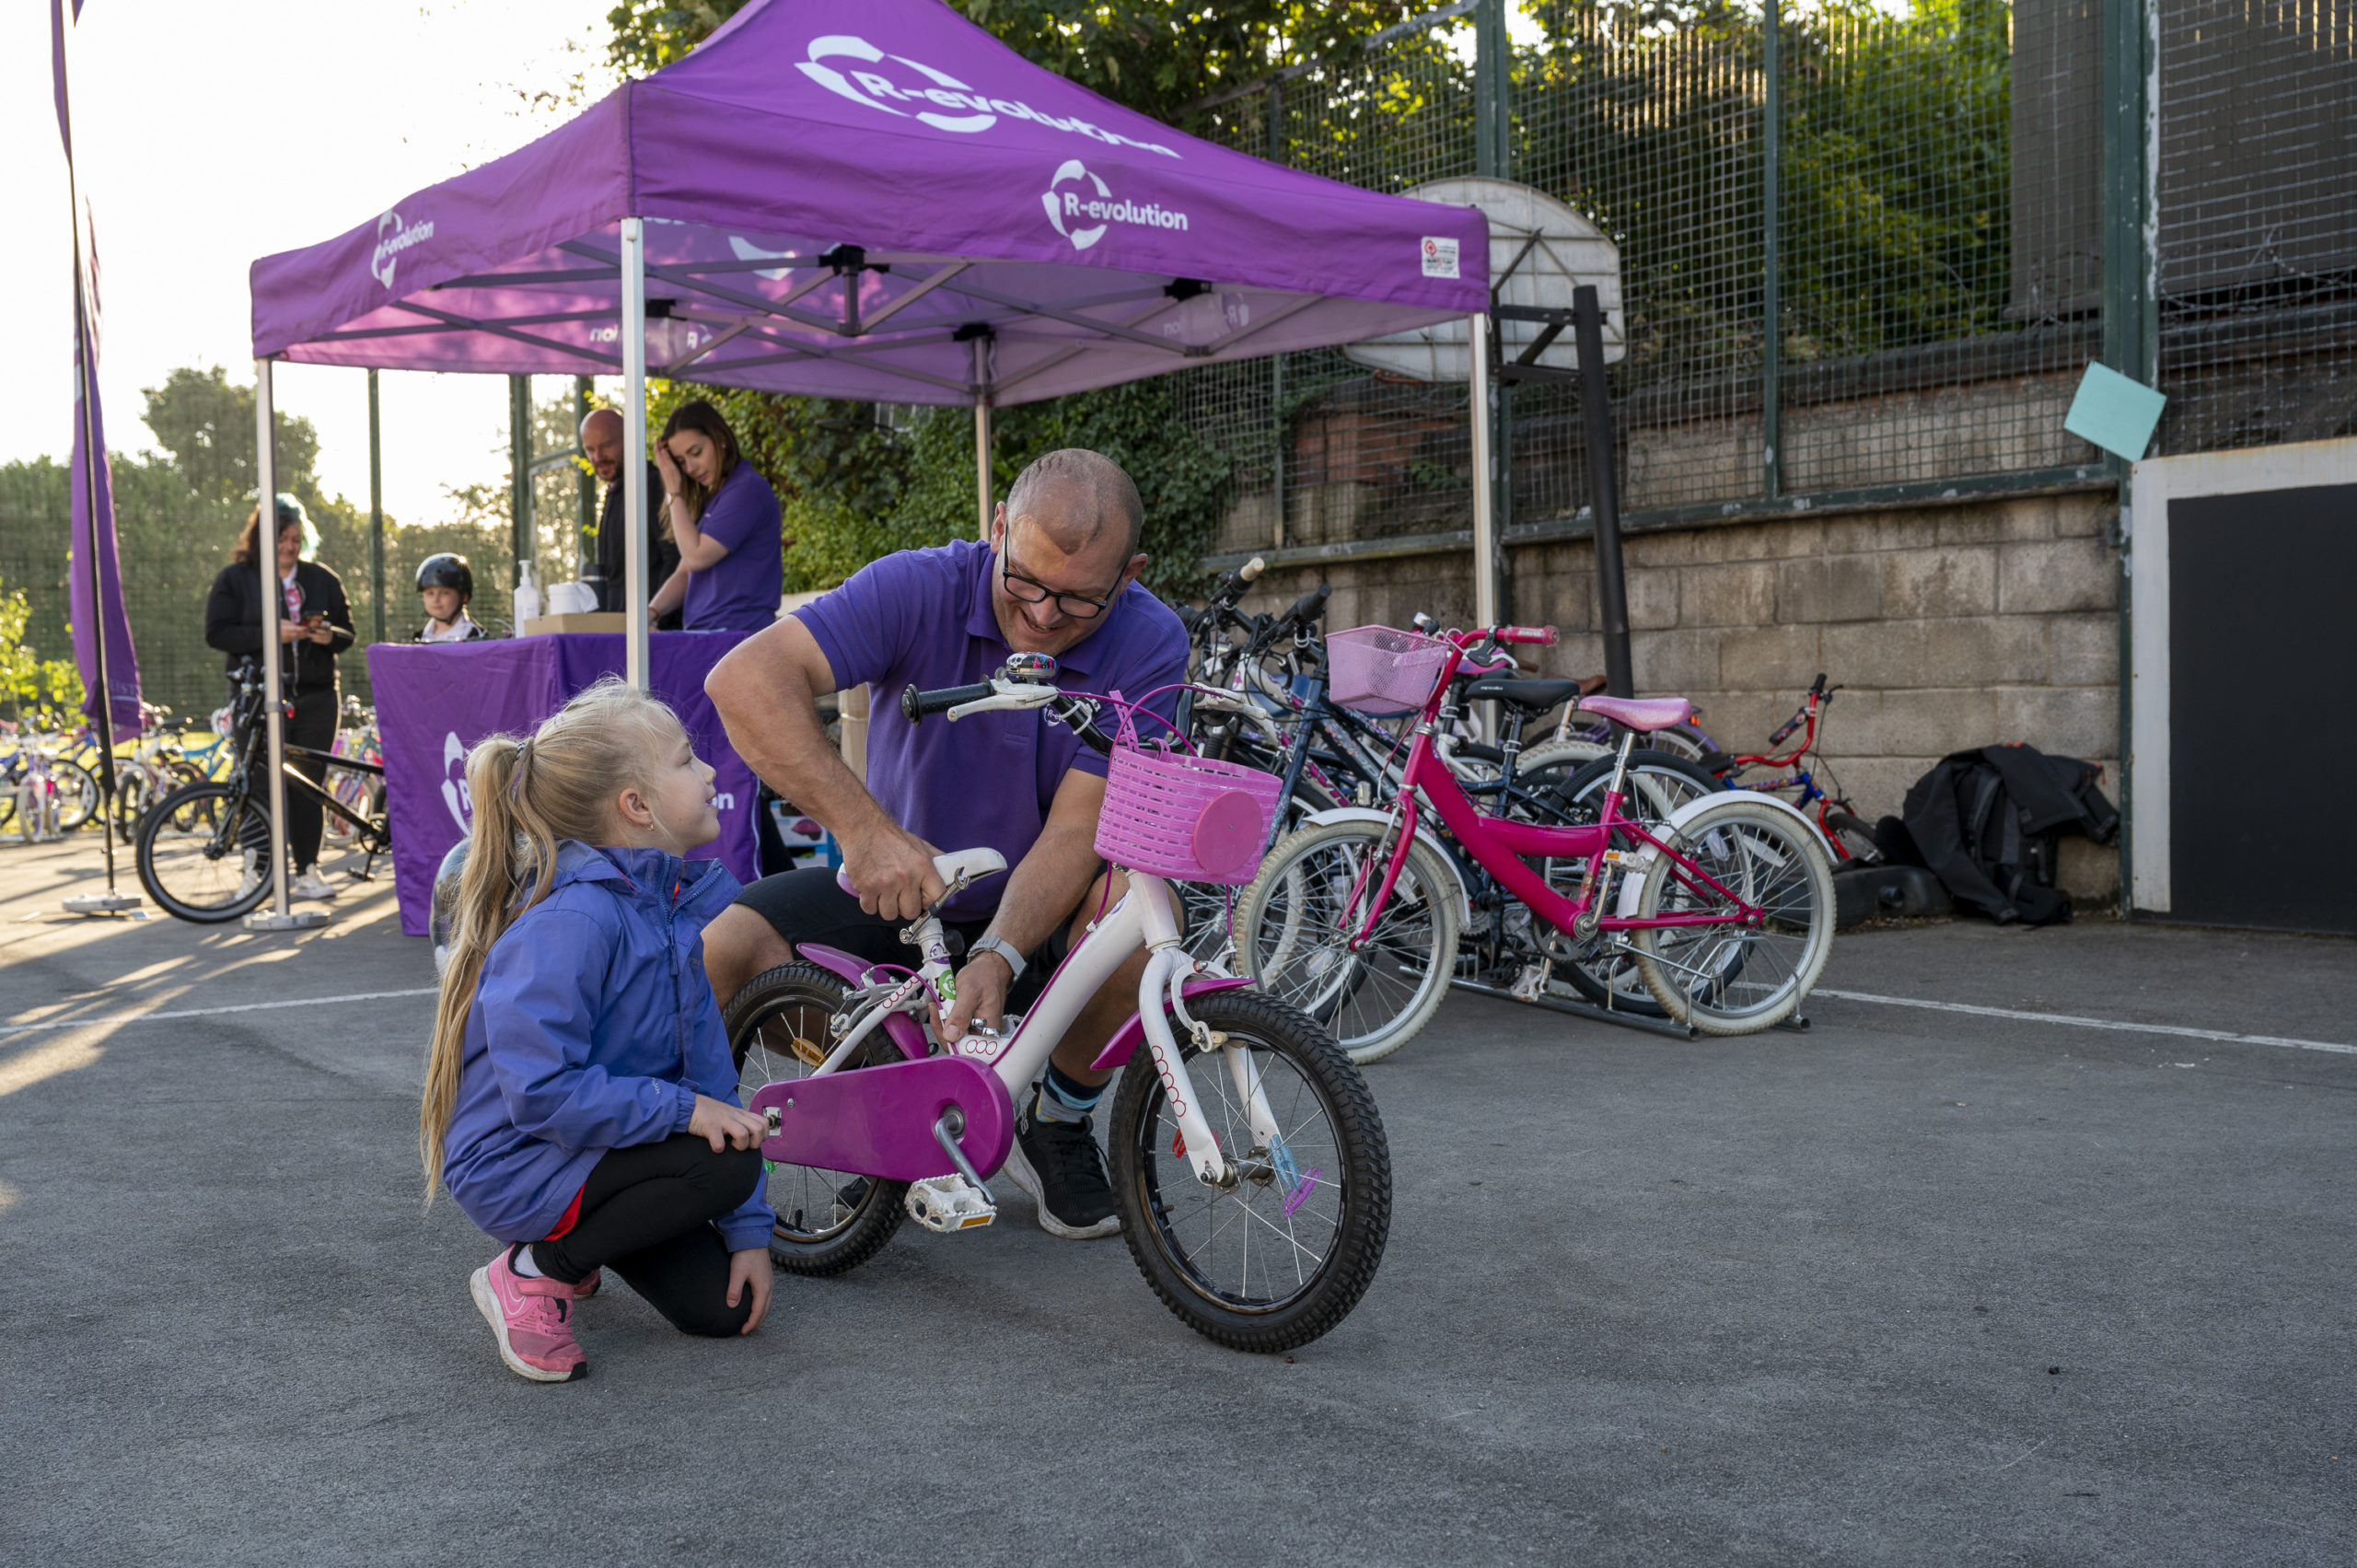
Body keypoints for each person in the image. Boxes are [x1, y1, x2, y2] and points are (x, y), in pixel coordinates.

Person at [702, 449, 1188, 1240]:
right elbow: (743, 681)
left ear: (1129, 575)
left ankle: (1054, 1117)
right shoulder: (920, 585)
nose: (1041, 615)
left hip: (1042, 913)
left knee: (1134, 902)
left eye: (1079, 600)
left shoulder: (1151, 641)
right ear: (997, 527)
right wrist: (865, 831)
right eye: (1024, 579)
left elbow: (1079, 826)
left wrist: (998, 952)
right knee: (721, 951)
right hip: (903, 894)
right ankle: (890, 1098)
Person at [421, 679, 774, 1384]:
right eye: (686, 761)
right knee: (721, 1159)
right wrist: (685, 1112)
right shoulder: (573, 920)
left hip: (602, 1143)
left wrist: (749, 1232)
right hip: (517, 1161)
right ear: (636, 807)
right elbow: (541, 1094)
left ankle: (578, 1241)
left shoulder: (670, 912)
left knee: (722, 1311)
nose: (709, 773)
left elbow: (712, 1077)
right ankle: (533, 1268)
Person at [203, 494, 354, 902]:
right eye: (281, 538)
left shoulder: (322, 577)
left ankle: (307, 869)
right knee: (256, 784)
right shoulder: (235, 578)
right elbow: (217, 633)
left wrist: (329, 636)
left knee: (309, 784)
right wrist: (269, 634)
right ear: (261, 539)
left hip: (317, 698)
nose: (289, 546)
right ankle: (258, 870)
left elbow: (347, 632)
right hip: (257, 698)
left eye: (295, 538)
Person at [647, 400, 784, 633]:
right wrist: (650, 613)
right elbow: (685, 571)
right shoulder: (718, 496)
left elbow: (697, 557)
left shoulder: (747, 490)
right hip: (709, 633)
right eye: (681, 461)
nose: (689, 468)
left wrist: (673, 491)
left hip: (737, 633)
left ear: (720, 438)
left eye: (696, 452)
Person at [578, 407, 680, 629]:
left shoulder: (650, 484)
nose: (598, 457)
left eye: (605, 446)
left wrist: (657, 618)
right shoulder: (615, 492)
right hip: (623, 632)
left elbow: (675, 557)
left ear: (629, 439)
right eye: (590, 449)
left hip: (653, 634)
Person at [413, 553, 488, 643]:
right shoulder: (419, 638)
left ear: (464, 596)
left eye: (445, 593)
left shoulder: (479, 639)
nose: (435, 599)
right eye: (430, 593)